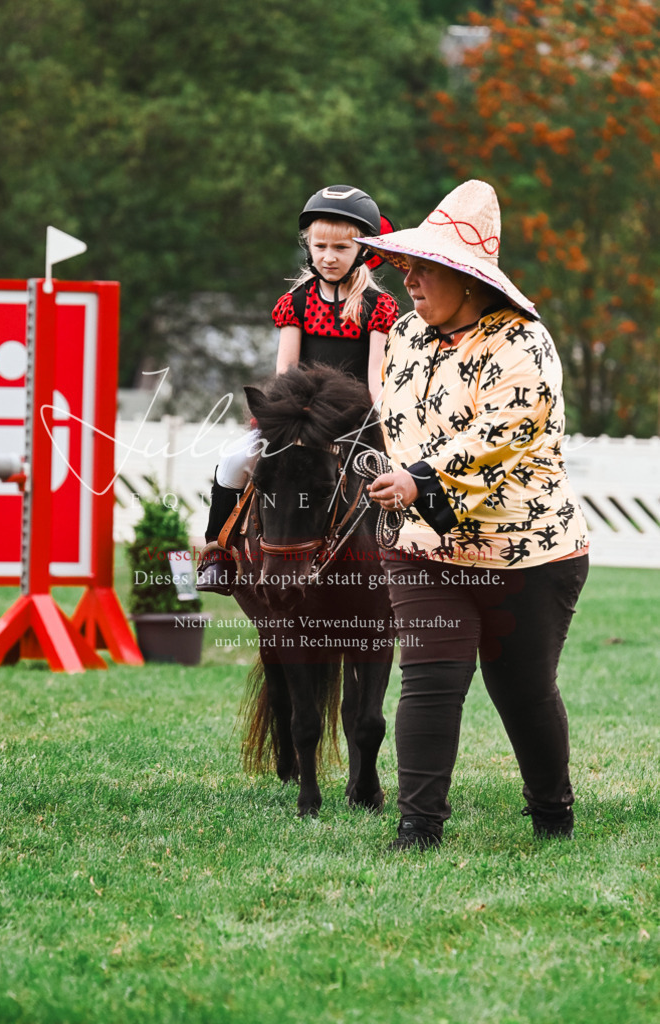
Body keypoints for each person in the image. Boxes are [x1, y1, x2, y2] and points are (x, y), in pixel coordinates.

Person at [357, 179, 589, 850]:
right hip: (423, 544)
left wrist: (420, 479)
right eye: (406, 266)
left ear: (468, 278)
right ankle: (418, 827)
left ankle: (552, 812)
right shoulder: (405, 334)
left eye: (423, 268)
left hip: (527, 549)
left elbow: (502, 435)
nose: (408, 280)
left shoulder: (523, 343)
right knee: (430, 678)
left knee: (523, 689)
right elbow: (396, 425)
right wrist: (391, 477)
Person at [197, 184, 399, 593]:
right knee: (233, 460)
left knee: (401, 473)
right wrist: (280, 417)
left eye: (341, 248)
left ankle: (417, 556)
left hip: (352, 420)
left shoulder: (378, 306)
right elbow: (286, 370)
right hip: (301, 416)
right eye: (320, 246)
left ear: (362, 251)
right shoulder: (297, 302)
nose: (329, 256)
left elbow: (375, 376)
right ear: (308, 246)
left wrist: (387, 426)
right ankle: (218, 552)